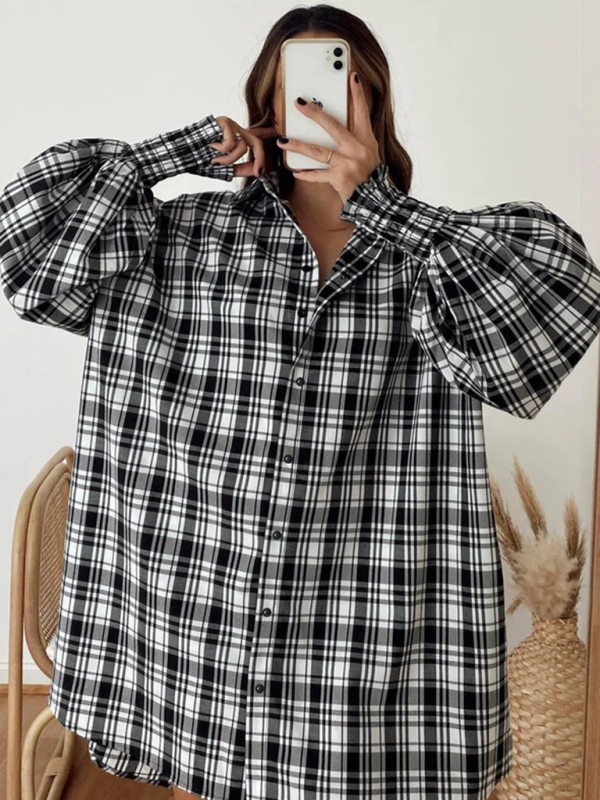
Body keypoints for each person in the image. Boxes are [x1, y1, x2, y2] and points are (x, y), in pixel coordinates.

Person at [1, 5, 599, 800]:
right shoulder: (175, 237)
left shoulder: (436, 261)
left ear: (375, 102)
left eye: (343, 86)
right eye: (298, 91)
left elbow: (560, 302)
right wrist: (181, 150)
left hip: (361, 640)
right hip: (189, 623)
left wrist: (383, 206)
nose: (320, 106)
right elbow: (25, 251)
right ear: (267, 107)